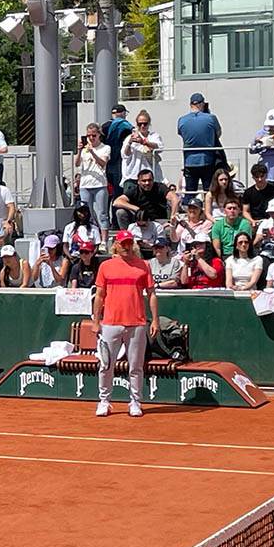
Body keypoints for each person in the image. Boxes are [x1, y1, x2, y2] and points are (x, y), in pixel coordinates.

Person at [90, 230, 158, 418]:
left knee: (135, 366)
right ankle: (104, 401)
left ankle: (135, 402)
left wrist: (156, 320)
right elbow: (100, 296)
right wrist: (96, 321)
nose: (126, 246)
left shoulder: (144, 266)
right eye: (123, 243)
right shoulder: (106, 266)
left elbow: (151, 294)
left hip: (136, 323)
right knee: (106, 364)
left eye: (129, 243)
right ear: (116, 245)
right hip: (111, 323)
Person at [178, 92, 223, 198]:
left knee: (190, 192)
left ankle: (190, 212)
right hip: (207, 160)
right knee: (209, 192)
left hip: (189, 161)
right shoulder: (211, 118)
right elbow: (218, 134)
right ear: (202, 104)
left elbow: (181, 134)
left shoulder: (182, 120)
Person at [113, 170, 179, 231]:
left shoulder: (160, 187)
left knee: (170, 230)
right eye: (144, 181)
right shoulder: (134, 190)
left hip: (158, 221)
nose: (147, 183)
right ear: (138, 182)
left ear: (153, 180)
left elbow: (175, 199)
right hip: (139, 220)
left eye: (149, 180)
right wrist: (137, 209)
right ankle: (127, 237)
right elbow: (116, 202)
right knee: (120, 212)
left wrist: (172, 218)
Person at [75, 122, 111, 234]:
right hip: (85, 184)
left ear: (99, 135)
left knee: (102, 213)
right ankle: (91, 235)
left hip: (99, 184)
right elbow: (76, 164)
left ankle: (104, 239)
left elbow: (103, 163)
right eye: (88, 136)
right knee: (86, 213)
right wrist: (80, 150)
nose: (91, 138)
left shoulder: (105, 148)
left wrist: (92, 152)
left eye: (94, 135)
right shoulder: (85, 149)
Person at [120, 110, 163, 185]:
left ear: (149, 124)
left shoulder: (154, 136)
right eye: (140, 124)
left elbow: (159, 148)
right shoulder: (130, 137)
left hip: (151, 174)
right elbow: (125, 155)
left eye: (145, 124)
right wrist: (130, 142)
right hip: (134, 175)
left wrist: (143, 142)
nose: (142, 126)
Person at [100, 104, 132, 196]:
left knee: (109, 190)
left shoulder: (104, 126)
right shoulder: (125, 125)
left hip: (107, 160)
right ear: (123, 113)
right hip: (120, 161)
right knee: (119, 190)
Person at [250, 109, 274, 184]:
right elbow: (252, 150)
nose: (272, 127)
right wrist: (256, 142)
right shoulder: (261, 133)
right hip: (265, 167)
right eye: (270, 125)